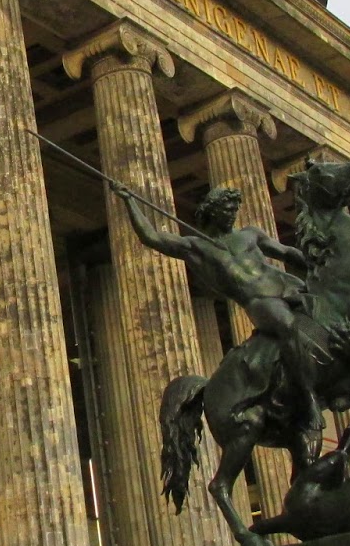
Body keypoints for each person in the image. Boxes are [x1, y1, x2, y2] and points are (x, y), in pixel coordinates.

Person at [113, 183, 321, 429]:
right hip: (260, 302)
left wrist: (316, 262)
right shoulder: (197, 246)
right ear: (212, 211)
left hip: (288, 286)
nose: (232, 215)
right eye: (227, 210)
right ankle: (309, 399)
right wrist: (129, 201)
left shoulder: (250, 234)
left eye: (234, 210)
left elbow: (285, 252)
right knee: (289, 328)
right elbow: (152, 237)